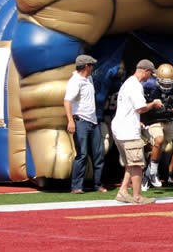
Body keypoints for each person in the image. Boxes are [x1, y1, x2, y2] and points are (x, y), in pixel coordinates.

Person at [112, 59, 165, 204]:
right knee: (136, 164)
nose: (150, 78)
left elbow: (128, 107)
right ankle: (137, 196)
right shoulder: (135, 86)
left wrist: (137, 120)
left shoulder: (128, 83)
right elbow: (140, 108)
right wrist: (154, 104)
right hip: (128, 131)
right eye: (150, 74)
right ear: (145, 71)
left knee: (130, 163)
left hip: (120, 127)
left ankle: (123, 191)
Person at [141, 63, 173, 189]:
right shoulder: (148, 84)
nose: (167, 87)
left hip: (168, 120)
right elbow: (140, 104)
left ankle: (147, 174)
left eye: (169, 84)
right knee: (159, 139)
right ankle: (153, 173)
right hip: (153, 119)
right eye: (164, 83)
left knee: (164, 148)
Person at [64, 54, 106, 194]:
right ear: (87, 66)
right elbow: (67, 101)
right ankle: (76, 186)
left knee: (98, 154)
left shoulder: (89, 78)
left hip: (93, 121)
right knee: (82, 154)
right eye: (91, 65)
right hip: (81, 120)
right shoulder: (75, 81)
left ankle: (97, 184)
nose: (93, 67)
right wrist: (70, 120)